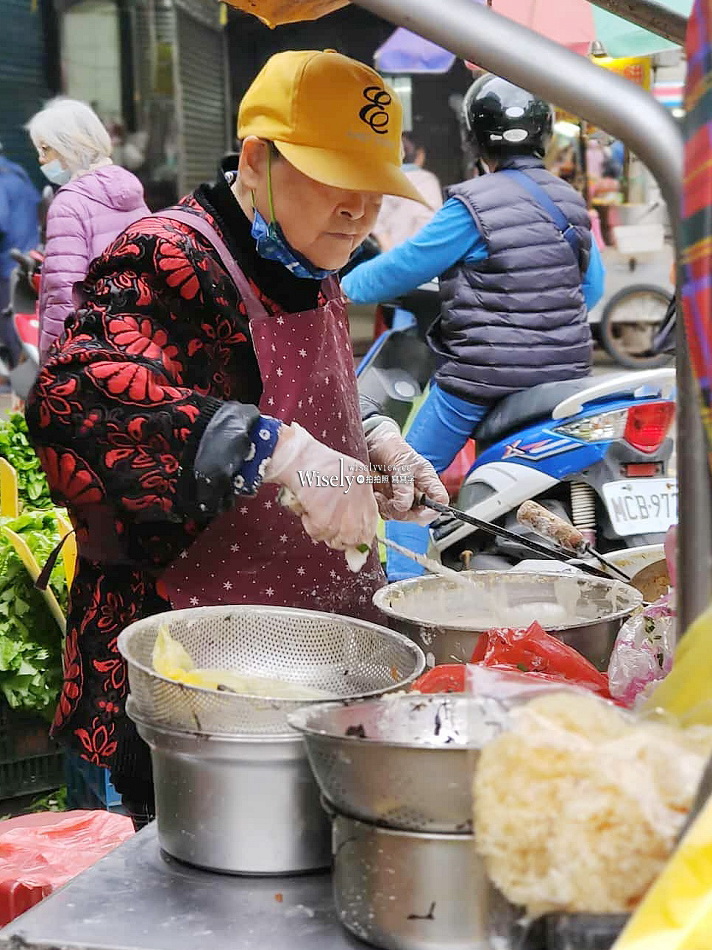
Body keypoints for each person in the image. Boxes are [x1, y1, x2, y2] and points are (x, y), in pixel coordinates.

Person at [25, 50, 448, 825]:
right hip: (200, 686)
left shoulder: (306, 257)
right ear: (257, 158)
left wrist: (368, 445)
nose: (357, 210)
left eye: (370, 186)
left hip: (324, 658)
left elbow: (279, 394)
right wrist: (278, 452)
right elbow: (72, 403)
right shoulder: (167, 256)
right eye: (331, 176)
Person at [342, 74, 605, 582]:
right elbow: (590, 292)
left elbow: (402, 268)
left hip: (482, 380)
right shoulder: (570, 202)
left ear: (474, 138)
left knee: (407, 475)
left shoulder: (472, 206)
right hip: (566, 378)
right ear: (544, 134)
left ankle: (403, 585)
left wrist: (336, 288)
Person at [26, 98, 150, 362]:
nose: (41, 159)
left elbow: (64, 292)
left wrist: (57, 360)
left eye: (45, 149)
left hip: (88, 350)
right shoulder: (130, 190)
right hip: (137, 337)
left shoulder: (68, 203)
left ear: (69, 146)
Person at [373, 134, 443, 251]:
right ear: (420, 155)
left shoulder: (382, 179)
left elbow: (377, 221)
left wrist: (389, 253)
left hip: (389, 255)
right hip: (420, 254)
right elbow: (429, 219)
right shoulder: (426, 179)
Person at [0, 141, 40, 314]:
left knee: (11, 325)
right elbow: (38, 204)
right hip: (30, 258)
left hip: (9, 264)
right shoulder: (17, 171)